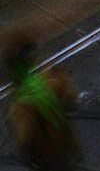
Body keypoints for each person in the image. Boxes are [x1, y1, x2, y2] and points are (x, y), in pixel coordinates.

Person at [3, 32, 82, 170]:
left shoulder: (20, 104)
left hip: (47, 159)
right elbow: (72, 102)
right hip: (67, 146)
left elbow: (25, 140)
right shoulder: (51, 80)